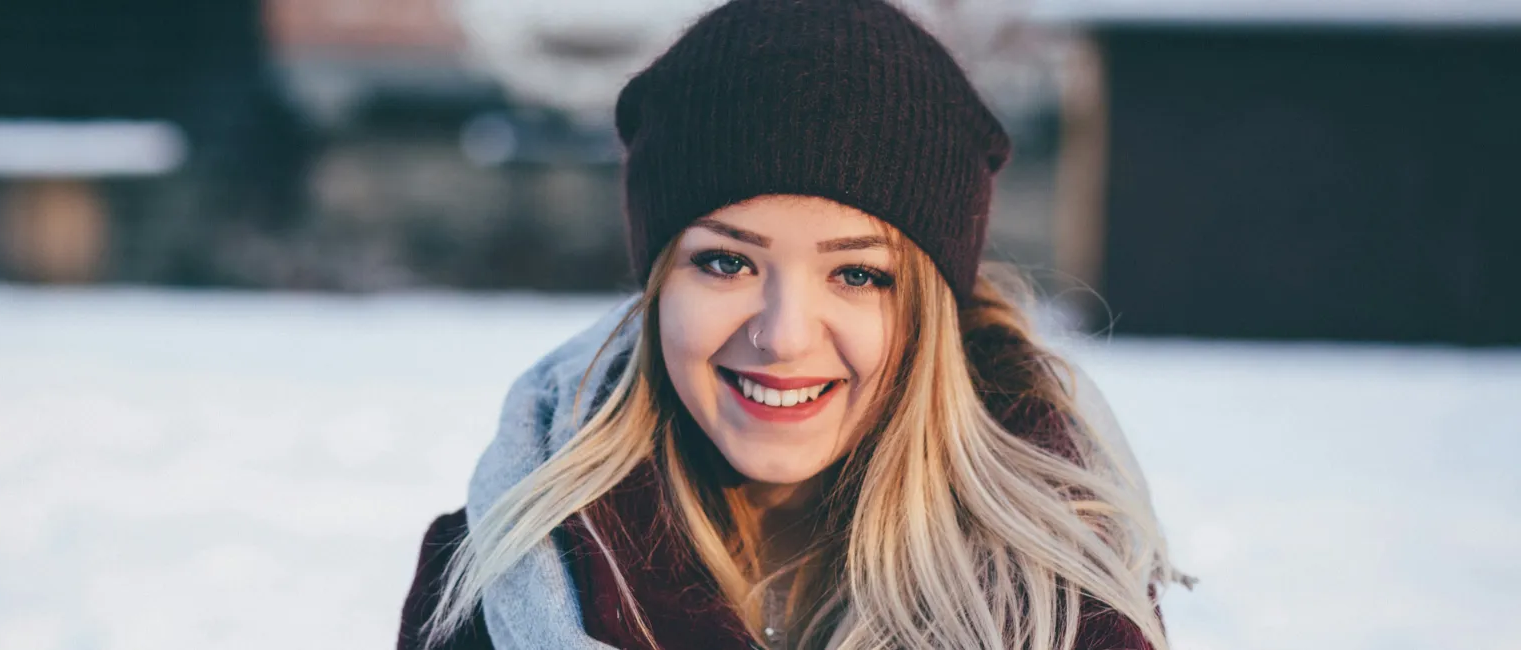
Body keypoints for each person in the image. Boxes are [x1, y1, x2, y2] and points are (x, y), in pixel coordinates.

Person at [399, 0, 1189, 648]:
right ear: (657, 285)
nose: (783, 336)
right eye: (726, 263)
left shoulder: (1066, 610)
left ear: (929, 313)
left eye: (858, 274)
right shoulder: (490, 586)